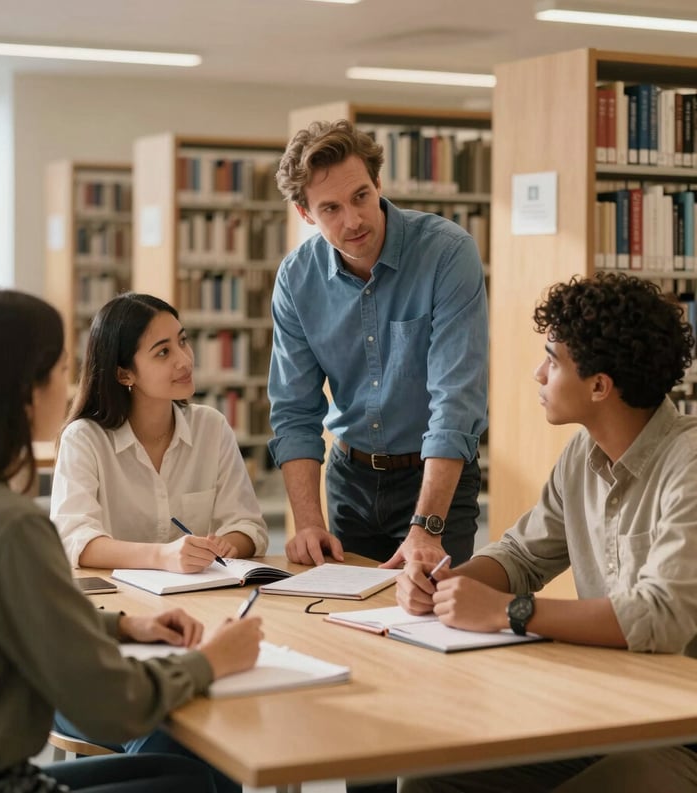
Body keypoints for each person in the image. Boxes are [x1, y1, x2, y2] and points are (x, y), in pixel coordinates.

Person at [0, 288, 264, 793]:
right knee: (189, 778)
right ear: (25, 391)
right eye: (58, 371)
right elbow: (114, 704)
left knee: (186, 771)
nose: (66, 386)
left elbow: (27, 614)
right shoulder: (11, 525)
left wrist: (127, 628)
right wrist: (210, 661)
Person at [397, 272, 697, 793]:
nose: (538, 374)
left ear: (600, 386)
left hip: (680, 729)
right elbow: (521, 556)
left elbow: (661, 616)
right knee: (429, 778)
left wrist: (506, 612)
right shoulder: (582, 455)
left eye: (552, 359)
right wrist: (445, 587)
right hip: (607, 708)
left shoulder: (688, 464)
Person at [269, 119, 488, 571]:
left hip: (435, 478)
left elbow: (456, 400)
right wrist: (308, 523)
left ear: (378, 184)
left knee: (433, 620)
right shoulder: (296, 279)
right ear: (304, 213)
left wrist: (426, 526)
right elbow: (293, 411)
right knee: (348, 621)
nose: (353, 221)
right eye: (330, 208)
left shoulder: (447, 254)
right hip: (350, 480)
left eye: (361, 197)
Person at [50, 292, 269, 573]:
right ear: (124, 374)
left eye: (183, 341)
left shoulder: (210, 427)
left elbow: (249, 526)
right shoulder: (84, 439)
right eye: (163, 352)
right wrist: (162, 557)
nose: (185, 361)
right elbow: (74, 539)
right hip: (120, 603)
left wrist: (227, 544)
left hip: (198, 596)